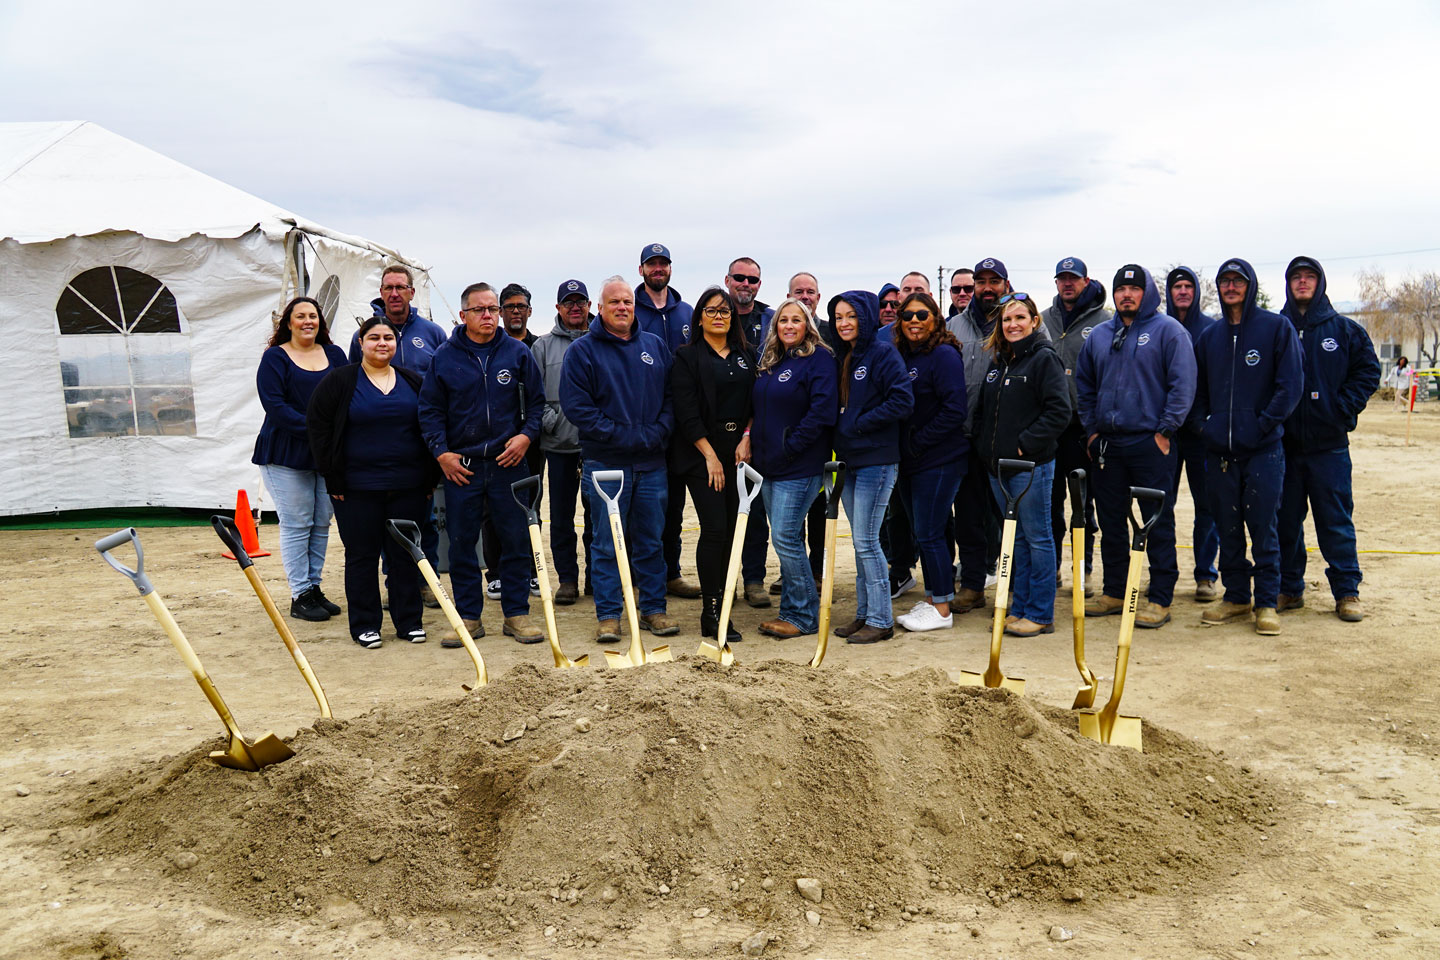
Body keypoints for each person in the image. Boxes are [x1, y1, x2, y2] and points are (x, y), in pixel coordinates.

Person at [419, 282, 545, 646]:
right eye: (480, 310)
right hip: (464, 468)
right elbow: (429, 411)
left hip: (510, 463)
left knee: (517, 540)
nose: (488, 315)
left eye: (493, 309)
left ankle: (516, 614)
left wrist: (525, 437)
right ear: (463, 315)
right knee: (462, 543)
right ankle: (469, 617)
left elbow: (537, 406)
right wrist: (441, 452)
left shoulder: (517, 353)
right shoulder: (444, 357)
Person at [1075, 265, 1197, 629]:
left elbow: (1183, 385)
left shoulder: (1169, 332)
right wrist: (1093, 433)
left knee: (1156, 521)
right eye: (1121, 288)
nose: (1126, 294)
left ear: (1148, 293)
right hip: (1108, 446)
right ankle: (1114, 590)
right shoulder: (1098, 336)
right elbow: (1084, 387)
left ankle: (1160, 596)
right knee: (1112, 520)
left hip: (1151, 444)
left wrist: (1165, 431)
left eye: (1134, 288)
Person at [561, 276, 680, 642]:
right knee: (606, 542)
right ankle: (609, 615)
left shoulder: (654, 346)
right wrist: (625, 436)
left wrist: (656, 432)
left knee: (651, 540)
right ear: (601, 308)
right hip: (606, 465)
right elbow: (578, 408)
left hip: (651, 464)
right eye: (614, 302)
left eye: (627, 301)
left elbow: (671, 399)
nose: (623, 308)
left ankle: (653, 610)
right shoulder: (582, 352)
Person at [308, 317, 438, 649]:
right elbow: (319, 430)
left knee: (405, 555)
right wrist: (332, 476)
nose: (383, 343)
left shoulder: (413, 381)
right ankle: (365, 624)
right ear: (361, 343)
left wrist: (429, 477)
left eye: (389, 338)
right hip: (355, 488)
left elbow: (431, 429)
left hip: (408, 485)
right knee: (362, 555)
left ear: (397, 344)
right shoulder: (339, 381)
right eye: (374, 338)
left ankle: (408, 621)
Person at [1192, 258, 1303, 636]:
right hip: (1219, 453)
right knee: (1227, 527)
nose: (1231, 286)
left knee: (1263, 526)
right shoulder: (1209, 337)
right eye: (1224, 281)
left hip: (1263, 449)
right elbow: (1198, 393)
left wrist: (1260, 427)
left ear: (1250, 285)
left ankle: (1267, 602)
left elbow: (1290, 386)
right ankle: (1237, 596)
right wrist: (1206, 428)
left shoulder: (1275, 328)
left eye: (1238, 280)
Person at [1277, 256, 1381, 622]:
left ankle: (1347, 592)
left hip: (1329, 448)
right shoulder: (1276, 328)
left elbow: (1369, 371)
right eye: (1296, 277)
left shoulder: (1344, 330)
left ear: (1320, 284)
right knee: (1285, 522)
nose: (1302, 283)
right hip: (1284, 448)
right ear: (1287, 284)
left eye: (1309, 277)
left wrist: (1342, 408)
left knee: (1335, 521)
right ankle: (1289, 589)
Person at [973, 293, 1072, 636]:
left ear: (1034, 321)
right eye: (1006, 320)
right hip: (997, 468)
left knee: (1038, 537)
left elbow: (1060, 411)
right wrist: (984, 447)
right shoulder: (1001, 360)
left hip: (1030, 467)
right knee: (1015, 541)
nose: (1013, 324)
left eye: (1019, 318)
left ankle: (1041, 613)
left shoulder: (1044, 359)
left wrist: (1023, 445)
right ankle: (1020, 608)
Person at [348, 263, 448, 600]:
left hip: (421, 440)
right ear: (381, 293)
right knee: (381, 521)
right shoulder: (364, 333)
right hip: (377, 443)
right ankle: (395, 584)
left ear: (411, 292)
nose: (394, 293)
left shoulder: (432, 333)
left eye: (400, 287)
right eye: (388, 287)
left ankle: (425, 579)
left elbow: (444, 384)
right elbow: (352, 383)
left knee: (425, 518)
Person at [252, 296, 349, 622]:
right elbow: (276, 407)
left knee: (321, 521)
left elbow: (347, 396)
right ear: (288, 322)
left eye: (313, 316)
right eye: (300, 316)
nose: (308, 321)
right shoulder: (275, 358)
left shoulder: (335, 355)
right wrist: (320, 430)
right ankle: (300, 594)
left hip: (326, 455)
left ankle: (314, 587)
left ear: (320, 321)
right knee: (297, 523)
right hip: (285, 453)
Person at [670, 288, 756, 642]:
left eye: (725, 311)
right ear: (700, 316)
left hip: (740, 451)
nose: (719, 316)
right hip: (701, 453)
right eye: (712, 310)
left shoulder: (747, 354)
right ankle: (712, 611)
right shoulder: (687, 357)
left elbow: (756, 402)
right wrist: (709, 456)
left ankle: (725, 601)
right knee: (716, 529)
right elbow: (685, 412)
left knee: (736, 532)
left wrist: (747, 436)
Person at [829, 289, 915, 644]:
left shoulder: (882, 354)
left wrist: (858, 422)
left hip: (877, 461)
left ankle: (881, 620)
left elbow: (902, 400)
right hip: (850, 461)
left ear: (864, 318)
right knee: (862, 542)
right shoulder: (844, 356)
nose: (844, 323)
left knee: (867, 542)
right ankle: (865, 614)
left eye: (851, 316)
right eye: (838, 317)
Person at [752, 298, 838, 638]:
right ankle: (792, 609)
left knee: (785, 538)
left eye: (796, 320)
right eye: (782, 320)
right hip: (770, 465)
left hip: (798, 465)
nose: (788, 325)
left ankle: (802, 615)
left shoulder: (819, 359)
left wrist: (790, 448)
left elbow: (821, 413)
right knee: (785, 538)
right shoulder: (773, 360)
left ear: (808, 326)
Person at [892, 292, 969, 632]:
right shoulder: (904, 355)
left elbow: (955, 410)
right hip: (911, 460)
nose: (914, 321)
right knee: (921, 532)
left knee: (929, 531)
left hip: (939, 459)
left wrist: (917, 443)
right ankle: (935, 593)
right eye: (907, 315)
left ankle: (941, 608)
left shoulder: (944, 355)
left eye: (922, 315)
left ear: (935, 318)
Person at [946, 257, 1016, 612]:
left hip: (1007, 442)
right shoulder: (953, 326)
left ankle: (1016, 591)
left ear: (1006, 283)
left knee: (1011, 517)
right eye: (981, 281)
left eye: (995, 280)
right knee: (969, 516)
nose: (987, 287)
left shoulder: (1019, 321)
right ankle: (972, 585)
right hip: (965, 438)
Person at [633, 243, 701, 601]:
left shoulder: (686, 312)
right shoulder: (630, 311)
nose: (658, 269)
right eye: (651, 264)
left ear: (670, 268)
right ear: (641, 269)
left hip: (683, 423)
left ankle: (671, 573)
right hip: (646, 422)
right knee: (646, 510)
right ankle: (642, 577)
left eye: (663, 263)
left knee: (673, 508)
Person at [1041, 256, 1107, 591]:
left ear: (1085, 281)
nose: (1067, 283)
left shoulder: (1104, 322)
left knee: (1084, 507)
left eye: (1073, 278)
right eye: (1062, 278)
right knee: (1050, 507)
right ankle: (1049, 569)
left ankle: (1084, 570)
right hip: (1051, 430)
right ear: (1056, 283)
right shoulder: (1042, 320)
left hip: (1084, 429)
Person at [480, 282, 544, 601]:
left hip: (532, 440)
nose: (516, 311)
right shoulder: (489, 346)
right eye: (510, 306)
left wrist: (529, 434)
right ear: (500, 311)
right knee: (493, 509)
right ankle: (497, 574)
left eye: (521, 306)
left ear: (530, 311)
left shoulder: (539, 346)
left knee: (531, 505)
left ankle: (533, 571)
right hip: (497, 443)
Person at [532, 279, 595, 604]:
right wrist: (551, 422)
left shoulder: (604, 339)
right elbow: (531, 394)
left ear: (589, 305)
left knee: (598, 519)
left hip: (597, 447)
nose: (575, 307)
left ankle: (597, 580)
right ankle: (568, 580)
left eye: (580, 301)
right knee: (561, 519)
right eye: (568, 302)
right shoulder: (542, 346)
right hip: (558, 448)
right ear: (557, 308)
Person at [1166, 266, 1221, 601]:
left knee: (1208, 507)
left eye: (1188, 286)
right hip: (1167, 433)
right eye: (1177, 286)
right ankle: (1164, 573)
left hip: (1202, 435)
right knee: (1161, 505)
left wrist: (1208, 421)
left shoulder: (1211, 330)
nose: (1183, 291)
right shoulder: (1159, 328)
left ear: (1196, 291)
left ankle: (1206, 575)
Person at [726, 257, 776, 607]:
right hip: (717, 430)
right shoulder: (714, 313)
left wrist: (750, 431)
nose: (746, 284)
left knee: (755, 511)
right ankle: (721, 579)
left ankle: (753, 579)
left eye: (753, 280)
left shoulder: (770, 320)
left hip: (756, 428)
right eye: (740, 278)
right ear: (728, 279)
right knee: (720, 514)